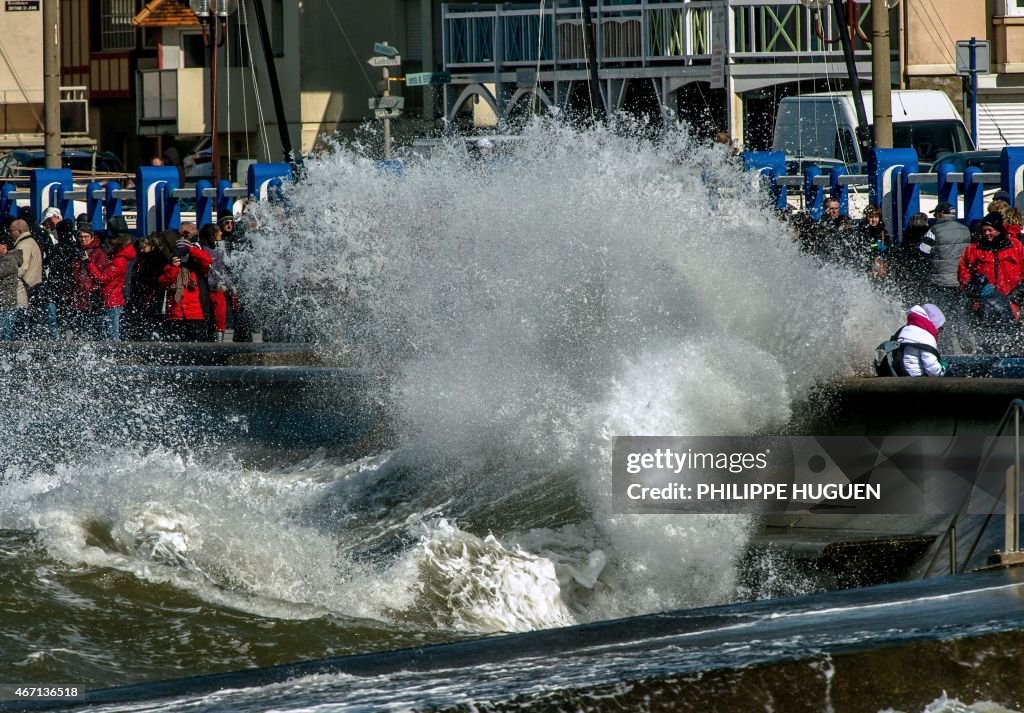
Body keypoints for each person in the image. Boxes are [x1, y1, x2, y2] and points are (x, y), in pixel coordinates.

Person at [917, 202, 973, 353]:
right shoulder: (965, 229)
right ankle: (967, 346)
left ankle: (947, 351)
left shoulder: (934, 230)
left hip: (940, 281)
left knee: (942, 317)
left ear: (941, 214)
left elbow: (923, 251)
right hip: (960, 282)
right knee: (960, 315)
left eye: (935, 215)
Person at [157, 228, 212, 341]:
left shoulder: (195, 269)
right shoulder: (169, 267)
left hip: (194, 314)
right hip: (175, 314)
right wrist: (174, 268)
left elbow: (207, 260)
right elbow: (163, 282)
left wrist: (190, 250)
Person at [85, 231, 137, 341]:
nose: (107, 247)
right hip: (112, 298)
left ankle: (116, 356)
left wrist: (89, 264)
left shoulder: (119, 261)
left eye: (110, 245)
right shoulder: (119, 259)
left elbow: (103, 278)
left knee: (113, 336)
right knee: (111, 333)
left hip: (112, 300)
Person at [879, 304, 947, 377]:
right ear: (934, 324)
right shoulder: (926, 336)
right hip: (916, 381)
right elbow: (933, 372)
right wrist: (943, 368)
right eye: (940, 328)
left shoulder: (903, 330)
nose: (939, 332)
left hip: (898, 375)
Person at [69, 224, 109, 339]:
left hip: (93, 295)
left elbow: (101, 275)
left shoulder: (98, 253)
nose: (83, 239)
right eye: (80, 237)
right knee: (80, 328)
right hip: (79, 295)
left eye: (86, 236)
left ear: (92, 237)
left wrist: (93, 289)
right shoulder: (78, 251)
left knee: (93, 327)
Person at [198, 223, 230, 341]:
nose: (221, 233)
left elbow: (221, 269)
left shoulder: (218, 250)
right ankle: (213, 339)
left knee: (221, 313)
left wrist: (229, 283)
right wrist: (215, 284)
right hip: (207, 288)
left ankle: (220, 339)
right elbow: (207, 270)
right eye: (218, 231)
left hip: (218, 288)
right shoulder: (203, 249)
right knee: (209, 314)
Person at [10, 218, 40, 338]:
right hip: (34, 285)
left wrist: (10, 276)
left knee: (20, 319)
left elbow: (22, 267)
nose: (10, 233)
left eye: (11, 230)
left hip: (24, 287)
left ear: (19, 231)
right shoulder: (31, 241)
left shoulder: (23, 245)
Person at [0, 235, 23, 340]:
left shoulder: (9, 260)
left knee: (4, 337)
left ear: (4, 246)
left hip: (6, 303)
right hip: (5, 303)